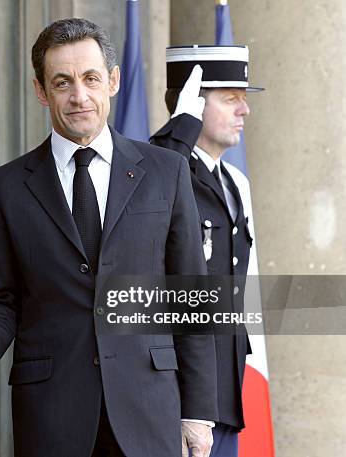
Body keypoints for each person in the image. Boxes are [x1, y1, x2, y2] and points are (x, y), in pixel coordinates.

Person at [0, 18, 218, 457]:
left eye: (91, 78)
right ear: (40, 90)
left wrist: (198, 413)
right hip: (51, 414)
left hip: (149, 408)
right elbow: (1, 299)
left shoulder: (166, 171)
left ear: (112, 81)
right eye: (62, 82)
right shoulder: (3, 188)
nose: (79, 96)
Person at [151, 45, 264, 457]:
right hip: (173, 398)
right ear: (193, 104)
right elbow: (149, 195)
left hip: (223, 395)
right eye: (230, 98)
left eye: (245, 99)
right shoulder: (165, 164)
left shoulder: (234, 182)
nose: (244, 111)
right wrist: (179, 128)